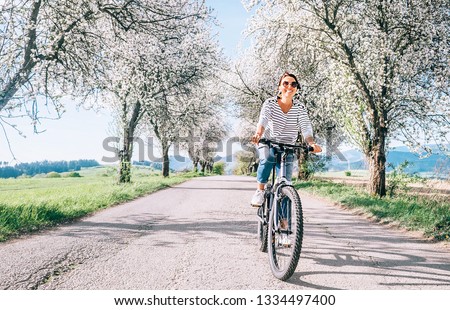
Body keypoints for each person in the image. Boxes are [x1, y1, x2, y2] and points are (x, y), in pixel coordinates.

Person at [250, 71, 322, 207]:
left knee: (286, 182)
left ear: (296, 88)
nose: (290, 86)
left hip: (288, 146)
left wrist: (312, 143)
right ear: (279, 87)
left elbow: (306, 127)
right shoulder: (270, 103)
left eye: (293, 84)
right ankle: (260, 190)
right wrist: (258, 134)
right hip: (268, 142)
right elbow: (263, 119)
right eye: (286, 83)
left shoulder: (300, 108)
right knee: (267, 158)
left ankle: (284, 220)